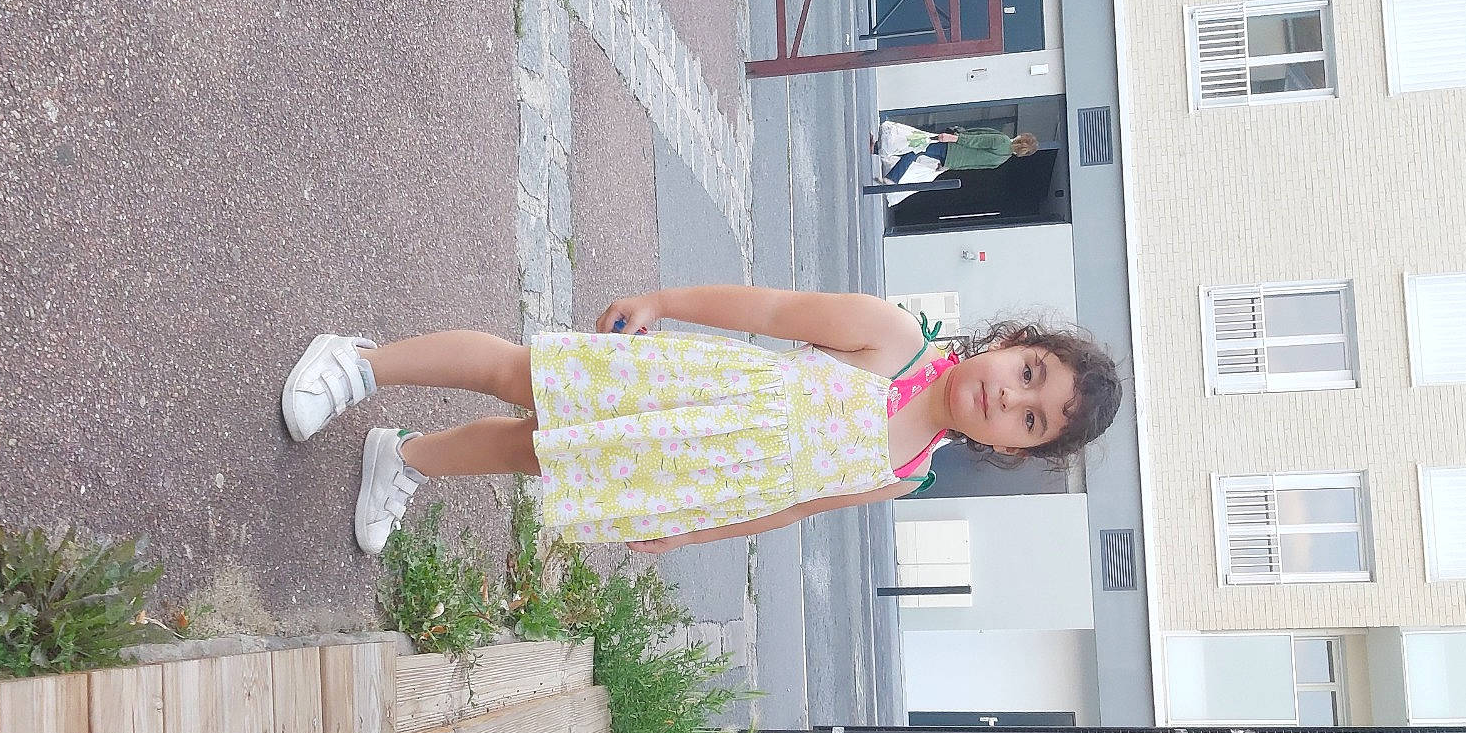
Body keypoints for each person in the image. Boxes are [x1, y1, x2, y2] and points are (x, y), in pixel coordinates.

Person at [281, 286, 1122, 556]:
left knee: (538, 453)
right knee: (520, 375)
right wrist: (666, 301)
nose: (1011, 399)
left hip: (681, 466)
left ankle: (409, 457)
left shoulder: (908, 475)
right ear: (1010, 344)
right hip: (682, 387)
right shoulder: (896, 338)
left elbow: (791, 507)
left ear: (1014, 448)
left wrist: (682, 533)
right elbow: (774, 308)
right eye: (1028, 374)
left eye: (1032, 421)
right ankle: (361, 365)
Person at [873, 119, 1039, 186]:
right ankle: (880, 155)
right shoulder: (1002, 159)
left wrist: (951, 138)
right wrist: (948, 167)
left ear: (1020, 139)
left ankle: (891, 176)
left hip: (951, 146)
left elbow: (975, 140)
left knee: (916, 146)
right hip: (952, 159)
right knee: (915, 150)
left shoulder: (1001, 141)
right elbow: (972, 165)